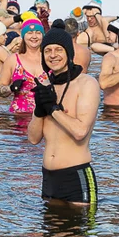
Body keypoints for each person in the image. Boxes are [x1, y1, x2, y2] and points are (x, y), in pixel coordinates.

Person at [27, 27, 101, 209]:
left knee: (77, 235)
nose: (53, 55)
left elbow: (80, 131)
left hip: (76, 175)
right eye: (48, 50)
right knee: (49, 235)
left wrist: (52, 109)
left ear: (68, 52)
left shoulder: (87, 83)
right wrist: (39, 110)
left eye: (58, 49)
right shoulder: (46, 86)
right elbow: (33, 139)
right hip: (49, 178)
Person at [0, 17, 44, 113]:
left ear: (43, 35)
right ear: (23, 36)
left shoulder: (50, 59)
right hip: (19, 116)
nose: (34, 36)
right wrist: (10, 88)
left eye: (38, 32)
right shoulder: (13, 59)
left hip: (45, 116)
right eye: (29, 33)